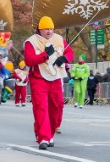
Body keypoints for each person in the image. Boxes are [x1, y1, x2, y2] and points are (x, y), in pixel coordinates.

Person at [24, 16, 74, 150]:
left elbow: (70, 52)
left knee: (56, 107)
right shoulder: (31, 42)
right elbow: (29, 60)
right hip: (38, 78)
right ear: (40, 29)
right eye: (46, 28)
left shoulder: (58, 39)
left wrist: (64, 58)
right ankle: (43, 138)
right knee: (41, 108)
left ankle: (50, 133)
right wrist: (45, 55)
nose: (49, 31)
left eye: (51, 28)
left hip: (56, 78)